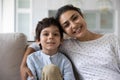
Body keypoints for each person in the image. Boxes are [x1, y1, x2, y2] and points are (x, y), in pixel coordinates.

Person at [20, 4, 120, 80]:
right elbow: (36, 45)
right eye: (66, 25)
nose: (73, 25)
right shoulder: (68, 45)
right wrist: (23, 65)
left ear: (82, 16)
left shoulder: (112, 39)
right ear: (65, 32)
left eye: (75, 18)